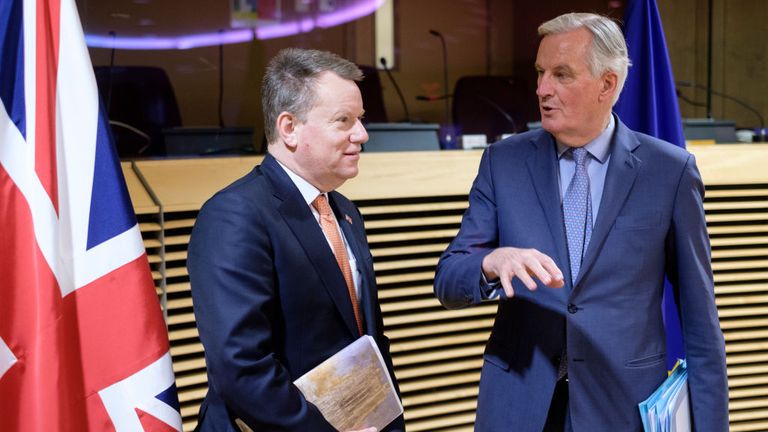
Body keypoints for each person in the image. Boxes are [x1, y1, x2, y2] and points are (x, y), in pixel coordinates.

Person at [434, 12, 728, 432]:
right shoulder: (504, 161)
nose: (542, 89)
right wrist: (491, 262)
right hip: (519, 404)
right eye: (540, 73)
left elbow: (700, 321)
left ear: (607, 85)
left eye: (561, 74)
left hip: (623, 407)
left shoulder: (670, 172)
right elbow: (448, 279)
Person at [188, 48, 405, 432]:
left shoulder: (344, 211)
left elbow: (367, 341)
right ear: (289, 128)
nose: (362, 134)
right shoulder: (235, 215)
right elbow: (242, 369)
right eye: (344, 121)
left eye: (360, 120)